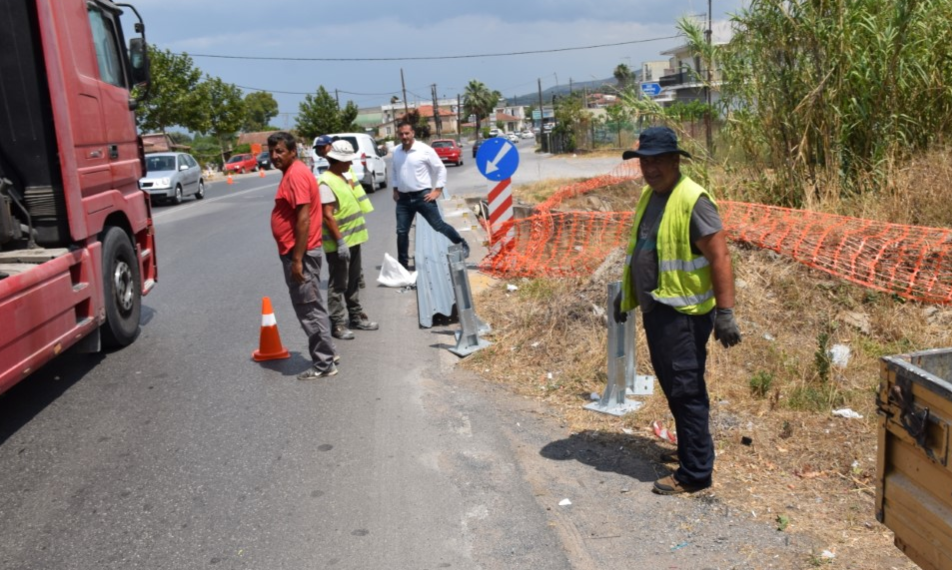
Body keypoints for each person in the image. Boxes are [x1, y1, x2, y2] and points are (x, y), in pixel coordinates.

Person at [613, 126, 742, 495]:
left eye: (657, 161)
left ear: (675, 160)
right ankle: (690, 453)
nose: (650, 169)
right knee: (675, 389)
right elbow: (644, 250)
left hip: (684, 314)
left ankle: (695, 474)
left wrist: (726, 313)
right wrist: (628, 295)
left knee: (686, 392)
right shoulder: (650, 196)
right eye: (644, 162)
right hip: (660, 310)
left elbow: (720, 255)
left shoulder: (692, 199)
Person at [267, 131, 338, 379]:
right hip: (297, 250)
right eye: (272, 151)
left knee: (308, 309)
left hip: (301, 252)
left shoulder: (296, 174)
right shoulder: (293, 172)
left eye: (280, 151)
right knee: (313, 305)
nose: (274, 156)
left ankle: (324, 364)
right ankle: (327, 353)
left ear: (293, 152)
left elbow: (304, 219)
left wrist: (297, 259)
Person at [318, 140, 379, 340]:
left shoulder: (342, 177)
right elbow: (327, 215)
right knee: (338, 284)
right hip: (339, 244)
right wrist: (340, 242)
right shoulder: (326, 182)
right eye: (347, 161)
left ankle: (355, 317)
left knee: (352, 282)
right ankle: (337, 324)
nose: (350, 164)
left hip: (353, 240)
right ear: (336, 160)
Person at [391, 120, 469, 269]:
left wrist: (437, 190)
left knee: (438, 225)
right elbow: (395, 171)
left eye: (407, 133)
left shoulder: (424, 150)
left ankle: (461, 243)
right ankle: (403, 264)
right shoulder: (396, 151)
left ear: (413, 133)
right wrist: (395, 189)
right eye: (401, 134)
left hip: (423, 196)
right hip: (403, 199)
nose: (404, 136)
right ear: (398, 135)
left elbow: (440, 169)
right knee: (401, 232)